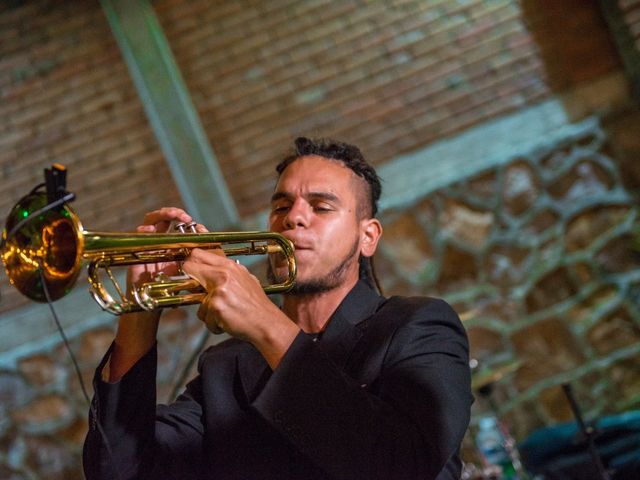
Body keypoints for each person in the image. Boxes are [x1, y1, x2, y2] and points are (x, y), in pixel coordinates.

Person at [83, 137, 473, 480]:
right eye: (281, 205)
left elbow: (400, 466)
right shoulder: (225, 366)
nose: (293, 217)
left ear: (367, 236)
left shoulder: (418, 326)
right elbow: (122, 471)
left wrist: (265, 321)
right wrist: (138, 311)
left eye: (321, 207)